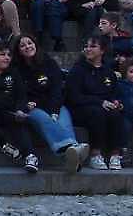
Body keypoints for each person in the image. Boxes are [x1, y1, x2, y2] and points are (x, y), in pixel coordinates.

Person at [14, 34, 88, 173]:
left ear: (35, 44)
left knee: (63, 119)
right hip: (33, 107)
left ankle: (71, 156)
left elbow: (57, 89)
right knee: (44, 119)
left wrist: (54, 110)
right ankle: (73, 149)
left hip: (54, 104)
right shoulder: (17, 70)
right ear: (18, 51)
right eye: (22, 45)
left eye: (29, 43)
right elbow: (20, 94)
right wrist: (26, 105)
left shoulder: (49, 63)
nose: (27, 47)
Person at [0, 43, 39, 173]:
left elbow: (21, 95)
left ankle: (31, 157)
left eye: (9, 55)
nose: (7, 58)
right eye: (2, 54)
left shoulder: (13, 73)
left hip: (11, 110)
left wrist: (21, 109)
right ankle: (4, 146)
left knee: (17, 122)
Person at [67, 37, 126, 170]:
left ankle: (115, 155)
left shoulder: (108, 72)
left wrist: (116, 102)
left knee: (115, 113)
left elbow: (114, 93)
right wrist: (100, 102)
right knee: (97, 112)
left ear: (102, 50)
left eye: (93, 46)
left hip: (105, 107)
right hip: (81, 108)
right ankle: (95, 154)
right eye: (86, 46)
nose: (88, 49)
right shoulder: (78, 70)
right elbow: (74, 96)